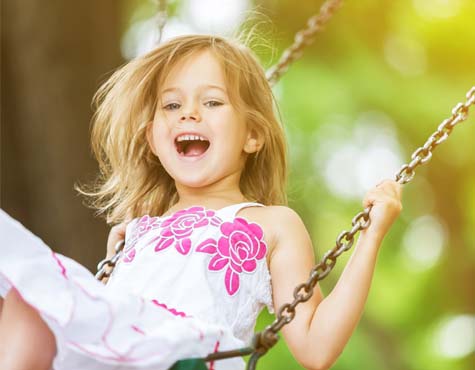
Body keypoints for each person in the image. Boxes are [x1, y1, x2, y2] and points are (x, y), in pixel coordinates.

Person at [0, 34, 402, 370]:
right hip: (119, 354)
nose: (189, 114)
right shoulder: (137, 228)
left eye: (212, 102)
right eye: (172, 105)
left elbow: (316, 348)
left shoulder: (272, 224)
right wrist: (115, 267)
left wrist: (371, 236)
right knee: (29, 295)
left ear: (253, 136)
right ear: (152, 139)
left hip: (188, 357)